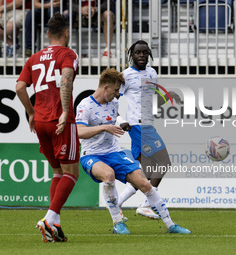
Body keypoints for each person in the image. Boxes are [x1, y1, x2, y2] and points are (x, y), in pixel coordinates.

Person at [75, 68, 190, 235]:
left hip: (114, 152)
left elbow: (116, 114)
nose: (117, 95)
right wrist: (104, 128)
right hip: (91, 155)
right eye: (115, 90)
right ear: (105, 87)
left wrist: (121, 121)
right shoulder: (85, 105)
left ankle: (171, 225)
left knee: (144, 183)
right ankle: (118, 223)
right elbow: (79, 132)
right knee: (109, 175)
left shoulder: (113, 103)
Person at [16, 12, 79, 242]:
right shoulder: (68, 53)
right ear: (66, 33)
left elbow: (20, 87)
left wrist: (31, 113)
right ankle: (48, 219)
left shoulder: (33, 58)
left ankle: (55, 227)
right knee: (72, 173)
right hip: (60, 120)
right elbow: (66, 79)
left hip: (40, 121)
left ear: (46, 34)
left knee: (57, 172)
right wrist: (64, 111)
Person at [117, 40, 182, 220]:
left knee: (146, 171)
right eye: (138, 52)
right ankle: (147, 204)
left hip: (147, 123)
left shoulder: (152, 73)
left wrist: (168, 96)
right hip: (138, 125)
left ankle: (117, 202)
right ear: (131, 54)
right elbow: (113, 99)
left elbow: (152, 103)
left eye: (145, 53)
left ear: (149, 55)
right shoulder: (126, 76)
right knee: (163, 162)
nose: (141, 56)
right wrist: (120, 120)